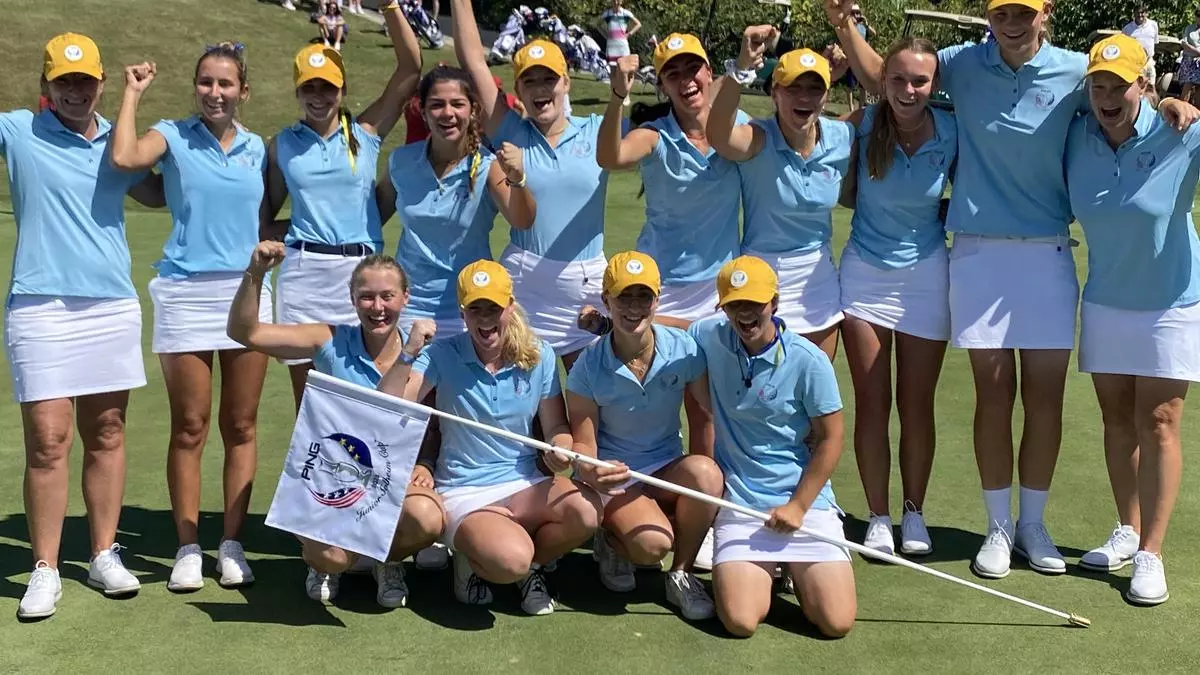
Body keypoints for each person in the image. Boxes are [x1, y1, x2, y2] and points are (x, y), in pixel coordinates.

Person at [826, 0, 1199, 580]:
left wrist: (1166, 101)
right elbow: (893, 77)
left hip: (1047, 251)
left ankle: (1033, 524)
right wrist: (844, 25)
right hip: (976, 252)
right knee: (993, 396)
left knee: (1044, 400)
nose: (1013, 22)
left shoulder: (1078, 70)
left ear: (1043, 14)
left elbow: (1120, 95)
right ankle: (999, 528)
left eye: (1023, 12)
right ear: (990, 16)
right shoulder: (963, 62)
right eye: (1003, 12)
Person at [6, 33, 165, 620]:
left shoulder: (115, 143)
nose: (75, 91)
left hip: (109, 305)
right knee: (49, 441)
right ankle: (45, 568)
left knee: (108, 432)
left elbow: (155, 192)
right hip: (40, 305)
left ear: (101, 84)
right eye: (63, 81)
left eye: (85, 81)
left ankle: (102, 552)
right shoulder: (18, 130)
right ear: (45, 86)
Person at [109, 43, 270, 592]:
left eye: (226, 84)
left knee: (242, 425)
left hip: (245, 290)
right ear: (195, 86)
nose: (215, 93)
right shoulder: (173, 134)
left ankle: (231, 544)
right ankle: (186, 548)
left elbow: (263, 212)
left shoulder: (258, 148)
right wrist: (132, 93)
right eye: (206, 82)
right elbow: (128, 160)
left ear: (243, 90)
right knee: (191, 425)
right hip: (184, 293)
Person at [227, 242, 446, 607]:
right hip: (329, 479)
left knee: (428, 518)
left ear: (405, 297)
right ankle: (328, 564)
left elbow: (386, 410)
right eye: (367, 297)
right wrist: (256, 274)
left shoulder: (422, 351)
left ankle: (384, 559)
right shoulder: (328, 339)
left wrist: (408, 354)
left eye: (388, 296)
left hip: (387, 479)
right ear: (352, 298)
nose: (378, 308)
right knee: (331, 558)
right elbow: (245, 333)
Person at [378, 261, 603, 616]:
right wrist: (409, 352)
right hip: (465, 489)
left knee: (587, 512)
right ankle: (477, 558)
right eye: (475, 309)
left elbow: (556, 426)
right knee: (510, 560)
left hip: (525, 482)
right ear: (463, 313)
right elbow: (389, 405)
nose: (485, 319)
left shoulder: (539, 355)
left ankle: (532, 566)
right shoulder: (441, 354)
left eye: (494, 308)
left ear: (510, 306)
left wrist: (562, 449)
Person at [1066, 35, 1200, 606]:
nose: (1106, 96)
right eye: (1097, 85)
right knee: (1116, 419)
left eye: (1119, 85)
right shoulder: (1077, 135)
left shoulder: (1181, 132)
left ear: (1143, 84)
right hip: (1106, 299)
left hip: (1171, 302)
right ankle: (1127, 528)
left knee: (1161, 421)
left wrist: (1185, 105)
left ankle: (1152, 553)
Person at [688, 256, 855, 638]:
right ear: (723, 307)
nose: (745, 314)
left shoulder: (809, 360)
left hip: (803, 503)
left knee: (836, 622)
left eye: (755, 304)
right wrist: (607, 323)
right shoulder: (708, 336)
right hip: (741, 504)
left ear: (775, 303)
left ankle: (794, 568)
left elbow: (832, 437)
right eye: (734, 305)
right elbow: (667, 330)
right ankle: (776, 571)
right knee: (742, 621)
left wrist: (798, 506)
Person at [264, 3, 420, 411]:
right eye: (309, 88)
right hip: (304, 277)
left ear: (342, 89)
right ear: (298, 91)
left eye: (328, 87)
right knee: (311, 400)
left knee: (371, 391)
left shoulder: (366, 133)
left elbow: (409, 70)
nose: (319, 97)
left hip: (362, 277)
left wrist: (388, 8)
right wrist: (300, 232)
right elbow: (267, 218)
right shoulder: (282, 145)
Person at [837, 38, 954, 557]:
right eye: (899, 79)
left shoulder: (951, 129)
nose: (909, 90)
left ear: (935, 85)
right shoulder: (862, 124)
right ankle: (878, 517)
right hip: (863, 274)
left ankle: (914, 513)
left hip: (928, 274)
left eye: (920, 81)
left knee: (916, 404)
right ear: (883, 82)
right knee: (873, 403)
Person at [452, 0, 613, 369]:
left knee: (592, 404)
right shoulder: (509, 129)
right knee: (524, 406)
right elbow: (473, 61)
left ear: (567, 82)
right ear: (518, 89)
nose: (541, 88)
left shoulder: (597, 130)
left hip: (585, 290)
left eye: (549, 78)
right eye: (530, 80)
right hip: (524, 289)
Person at [566, 252, 722, 620]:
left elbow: (712, 410)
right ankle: (612, 540)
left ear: (657, 300)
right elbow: (583, 445)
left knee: (707, 473)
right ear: (607, 301)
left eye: (644, 297)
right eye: (624, 297)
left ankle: (680, 574)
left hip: (666, 465)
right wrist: (592, 470)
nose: (634, 307)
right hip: (615, 477)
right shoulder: (587, 366)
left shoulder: (684, 349)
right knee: (653, 545)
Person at [708, 29, 852, 362]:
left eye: (815, 88)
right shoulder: (757, 137)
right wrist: (742, 66)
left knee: (812, 391)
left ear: (827, 94)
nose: (804, 97)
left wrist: (847, 28)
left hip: (817, 281)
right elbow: (717, 132)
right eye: (794, 88)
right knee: (758, 392)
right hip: (758, 276)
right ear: (775, 93)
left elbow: (890, 92)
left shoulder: (842, 137)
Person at [380, 66, 535, 337]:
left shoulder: (488, 166)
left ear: (473, 110)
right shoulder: (401, 162)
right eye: (437, 105)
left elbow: (522, 220)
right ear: (423, 112)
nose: (448, 113)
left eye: (457, 104)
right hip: (409, 308)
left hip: (473, 308)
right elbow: (371, 217)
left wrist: (518, 179)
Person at [1121, 5, 1158, 84]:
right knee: (1136, 86)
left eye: (1142, 12)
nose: (1140, 15)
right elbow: (1123, 46)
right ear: (1134, 14)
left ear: (1146, 14)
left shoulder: (1153, 25)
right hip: (1134, 63)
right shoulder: (1127, 29)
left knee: (1150, 86)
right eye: (1137, 13)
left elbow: (1155, 42)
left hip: (1149, 61)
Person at [597, 0, 641, 66]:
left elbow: (638, 24)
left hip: (623, 46)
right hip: (611, 46)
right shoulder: (607, 14)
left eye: (618, 0)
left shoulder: (625, 13)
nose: (616, 2)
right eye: (614, 0)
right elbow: (598, 25)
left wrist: (629, 34)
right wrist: (605, 35)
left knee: (624, 68)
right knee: (612, 70)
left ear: (621, 2)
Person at [1182, 10, 1200, 106]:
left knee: (1199, 88)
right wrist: (1197, 51)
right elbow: (1184, 44)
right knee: (1187, 86)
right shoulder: (1189, 28)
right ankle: (1182, 111)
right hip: (1189, 60)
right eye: (1198, 16)